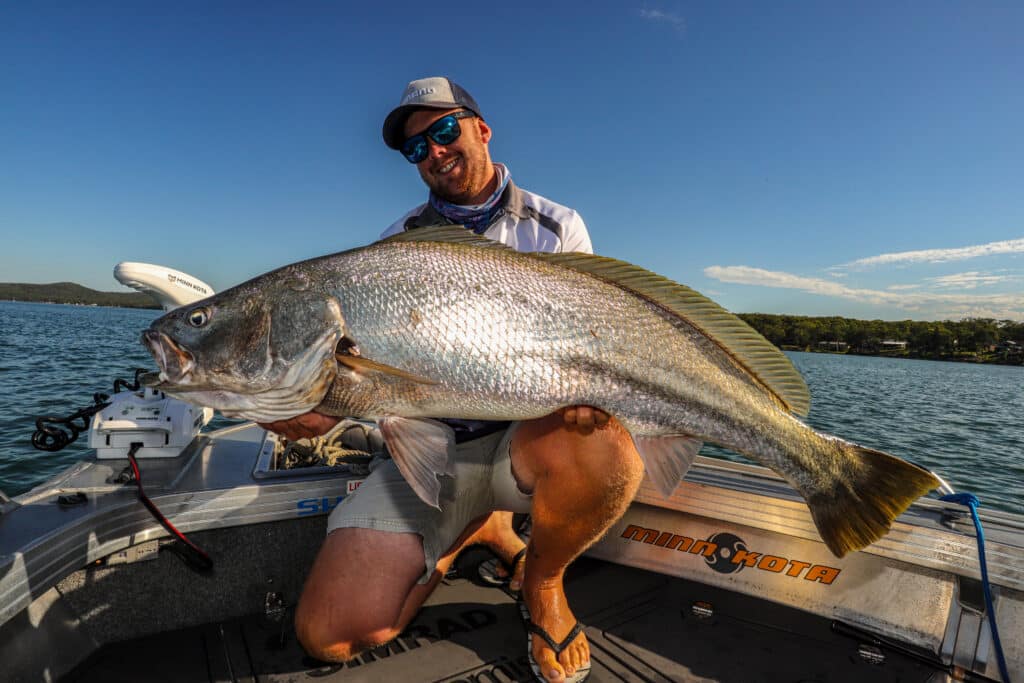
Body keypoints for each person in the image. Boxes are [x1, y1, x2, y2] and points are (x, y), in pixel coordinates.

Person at [260, 77, 644, 683]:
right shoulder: (394, 245)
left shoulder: (557, 226)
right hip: (430, 449)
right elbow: (358, 387)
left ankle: (542, 582)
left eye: (444, 132)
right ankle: (476, 527)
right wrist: (302, 407)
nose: (434, 152)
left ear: (481, 129)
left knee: (600, 444)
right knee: (327, 635)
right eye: (416, 148)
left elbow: (588, 339)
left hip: (527, 443)